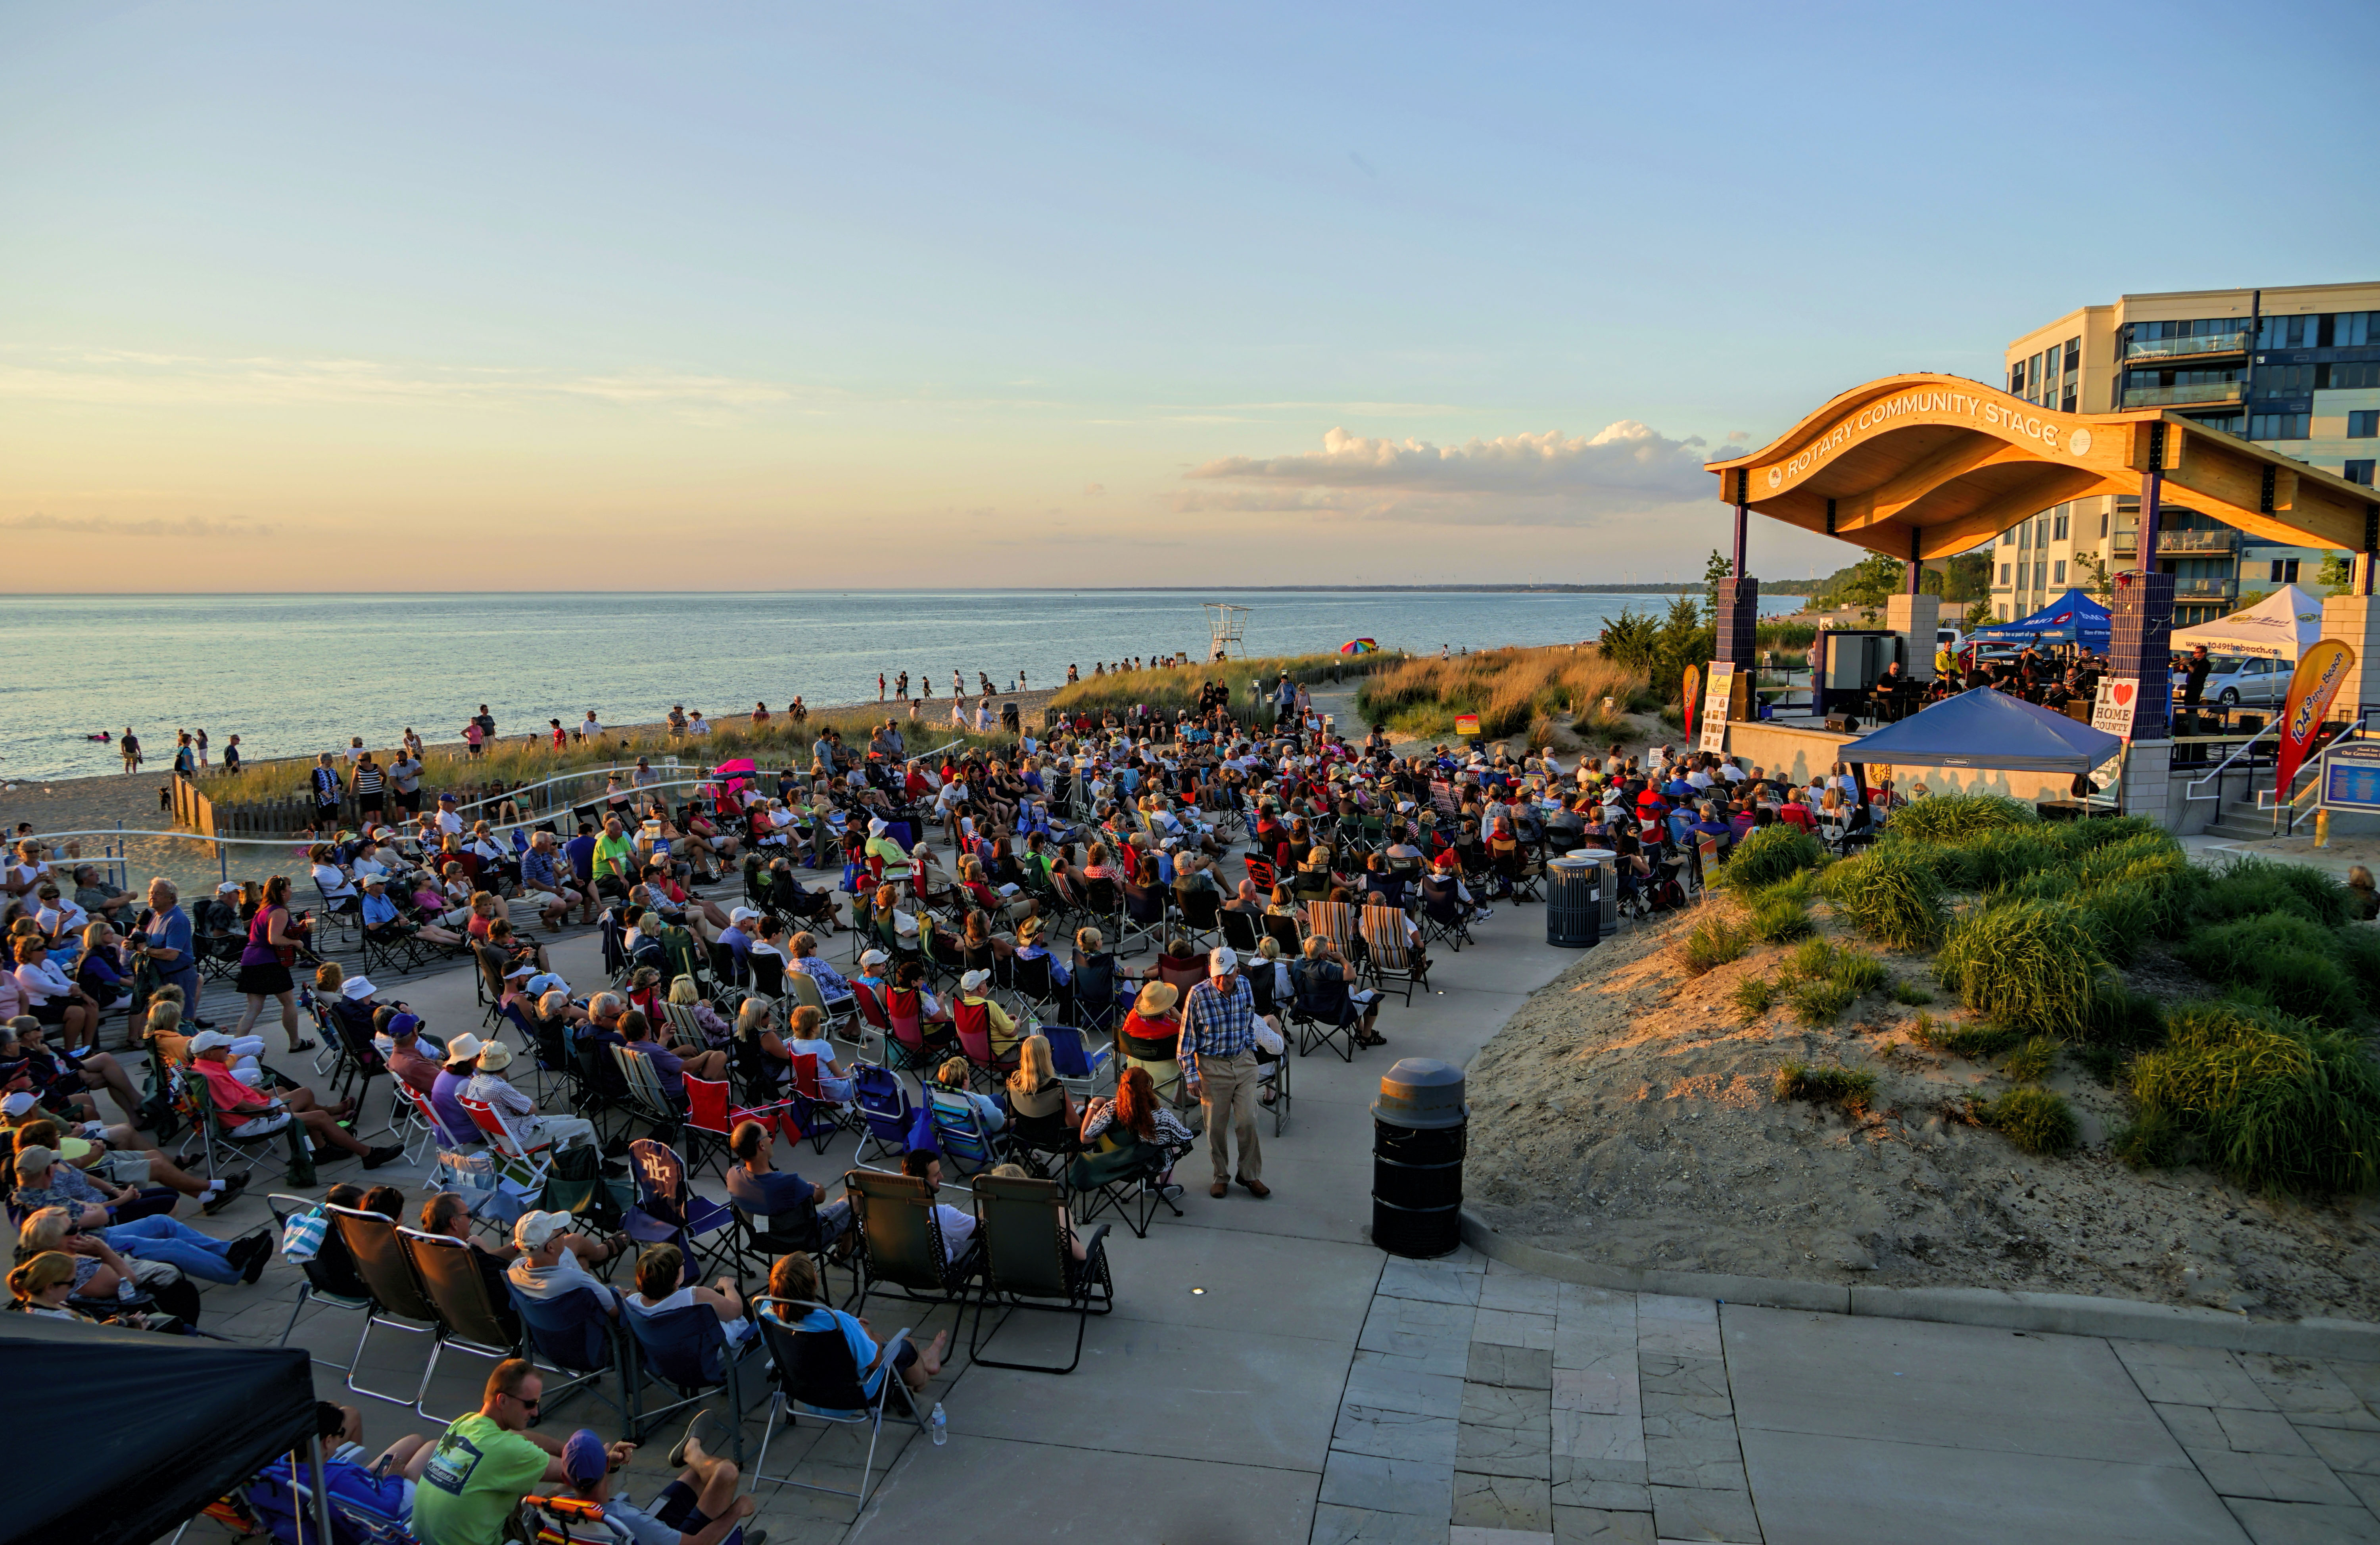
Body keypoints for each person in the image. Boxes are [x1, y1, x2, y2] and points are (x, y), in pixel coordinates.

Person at [412, 1361, 605, 1545]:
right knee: (583, 1484)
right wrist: (605, 1461)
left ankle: (551, 1494)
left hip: (428, 1538)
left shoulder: (465, 1422)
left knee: (519, 1471)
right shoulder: (510, 1450)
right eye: (530, 1404)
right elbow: (581, 1471)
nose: (536, 1412)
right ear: (503, 1400)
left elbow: (513, 1436)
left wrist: (565, 1449)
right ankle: (554, 1497)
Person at [186, 1031, 402, 1167]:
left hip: (251, 1113)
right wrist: (273, 1111)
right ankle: (368, 1155)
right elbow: (240, 1106)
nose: (228, 1048)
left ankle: (323, 1150)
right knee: (317, 1116)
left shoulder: (203, 1068)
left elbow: (235, 1096)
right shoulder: (212, 1075)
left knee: (304, 1093)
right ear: (209, 1052)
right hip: (250, 1121)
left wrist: (260, 1095)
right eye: (223, 1047)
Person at [760, 1250, 948, 1400]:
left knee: (878, 1340)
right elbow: (874, 1363)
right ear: (814, 1282)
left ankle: (924, 1361)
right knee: (905, 1345)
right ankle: (924, 1370)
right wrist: (863, 1330)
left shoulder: (766, 1311)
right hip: (852, 1396)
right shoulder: (837, 1322)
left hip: (804, 1393)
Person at [550, 1422, 756, 1545]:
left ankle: (692, 1452)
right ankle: (693, 1452)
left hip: (640, 1534)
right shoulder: (629, 1520)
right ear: (603, 1468)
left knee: (698, 1476)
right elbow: (697, 1544)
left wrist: (610, 1465)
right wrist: (736, 1511)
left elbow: (595, 1495)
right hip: (656, 1537)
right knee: (727, 1473)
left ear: (566, 1479)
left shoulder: (558, 1508)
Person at [1179, 946, 1267, 1199]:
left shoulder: (1245, 986)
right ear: (1210, 971)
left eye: (1227, 975)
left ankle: (1249, 1174)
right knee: (1216, 1127)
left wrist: (1250, 1048)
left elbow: (1250, 1020)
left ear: (1237, 971)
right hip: (1212, 1066)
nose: (1222, 980)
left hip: (1243, 1062)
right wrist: (1192, 1076)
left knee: (1248, 1121)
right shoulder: (1197, 995)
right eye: (1217, 975)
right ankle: (1221, 1175)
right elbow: (1185, 1043)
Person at [723, 1117, 852, 1252]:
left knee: (844, 1215)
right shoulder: (790, 1184)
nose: (771, 1140)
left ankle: (845, 1245)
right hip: (809, 1239)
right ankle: (844, 1252)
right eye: (769, 1135)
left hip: (766, 1242)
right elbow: (820, 1196)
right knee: (854, 1199)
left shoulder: (733, 1177)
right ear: (761, 1145)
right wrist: (810, 1186)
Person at [232, 875, 315, 1053]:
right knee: (288, 1003)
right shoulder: (279, 911)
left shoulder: (263, 910)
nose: (291, 890)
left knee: (254, 1008)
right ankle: (295, 1042)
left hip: (250, 960)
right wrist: (296, 943)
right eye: (289, 887)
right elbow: (274, 938)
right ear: (282, 892)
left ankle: (235, 1048)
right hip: (268, 962)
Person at [465, 1040, 597, 1150]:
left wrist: (516, 1109)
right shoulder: (500, 1087)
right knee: (585, 1126)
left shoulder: (475, 1082)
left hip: (507, 1137)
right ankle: (597, 1167)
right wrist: (518, 1109)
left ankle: (580, 1161)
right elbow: (532, 1109)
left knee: (570, 1120)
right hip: (525, 1137)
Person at [624, 1241, 755, 1348]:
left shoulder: (631, 1303)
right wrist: (728, 1286)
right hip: (714, 1360)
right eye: (683, 1264)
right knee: (729, 1292)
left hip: (667, 1361)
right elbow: (736, 1311)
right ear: (676, 1278)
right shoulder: (696, 1296)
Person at [504, 1209, 627, 1313]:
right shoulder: (576, 1279)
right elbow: (616, 1310)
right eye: (561, 1233)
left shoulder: (513, 1271)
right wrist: (620, 1295)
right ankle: (601, 1254)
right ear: (550, 1247)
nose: (564, 1235)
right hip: (584, 1335)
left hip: (546, 1331)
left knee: (582, 1260)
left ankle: (597, 1255)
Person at [898, 1148, 979, 1264]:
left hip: (899, 1267)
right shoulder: (942, 1215)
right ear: (922, 1181)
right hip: (939, 1273)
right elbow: (982, 1228)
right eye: (936, 1175)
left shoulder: (883, 1208)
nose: (942, 1177)